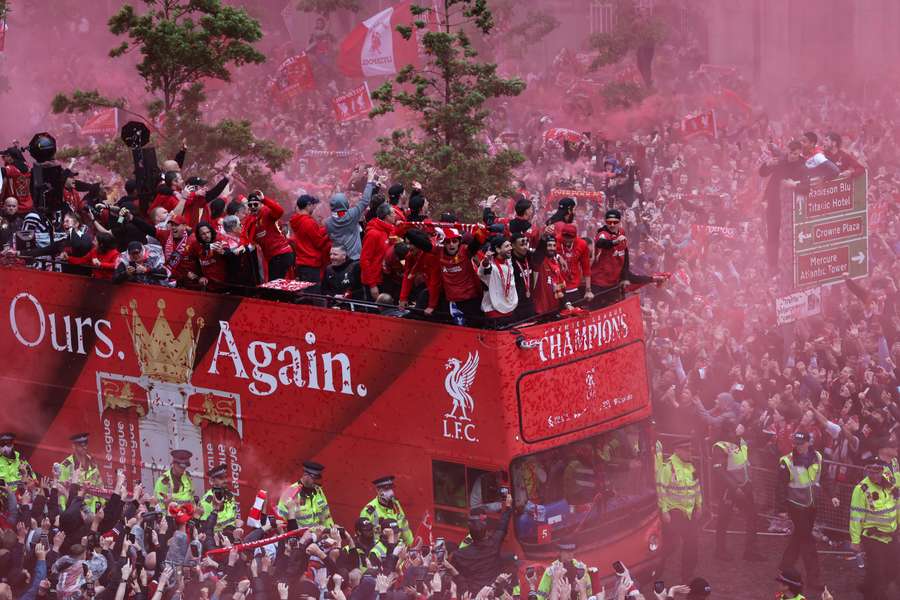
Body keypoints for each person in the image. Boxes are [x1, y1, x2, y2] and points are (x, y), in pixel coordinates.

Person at [778, 431, 837, 592]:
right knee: (808, 541)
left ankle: (785, 564)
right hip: (795, 506)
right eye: (796, 444)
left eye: (801, 443)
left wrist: (832, 496)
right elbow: (781, 486)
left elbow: (824, 477)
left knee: (799, 536)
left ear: (808, 443)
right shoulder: (786, 461)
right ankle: (814, 578)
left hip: (811, 505)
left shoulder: (817, 456)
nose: (799, 447)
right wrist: (782, 509)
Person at [711, 422, 763, 561]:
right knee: (724, 519)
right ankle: (720, 550)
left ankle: (750, 551)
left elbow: (756, 442)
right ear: (730, 431)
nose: (741, 428)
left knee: (752, 516)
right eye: (737, 428)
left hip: (744, 486)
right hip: (729, 489)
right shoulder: (720, 446)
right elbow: (719, 470)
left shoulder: (741, 442)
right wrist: (734, 487)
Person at [848, 459, 898, 600]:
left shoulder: (890, 484)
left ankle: (867, 587)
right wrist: (855, 541)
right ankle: (875, 595)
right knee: (879, 572)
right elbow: (856, 516)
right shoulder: (861, 489)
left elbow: (897, 504)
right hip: (872, 537)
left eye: (876, 472)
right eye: (870, 472)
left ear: (882, 471)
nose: (873, 475)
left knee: (894, 568)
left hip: (891, 534)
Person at [657, 437, 701, 582]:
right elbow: (661, 490)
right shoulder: (668, 468)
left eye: (690, 449)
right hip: (674, 512)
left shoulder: (691, 466)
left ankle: (687, 574)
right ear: (677, 451)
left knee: (692, 544)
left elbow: (696, 488)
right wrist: (664, 511)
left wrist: (699, 505)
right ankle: (657, 569)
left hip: (689, 513)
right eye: (686, 450)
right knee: (669, 546)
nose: (690, 452)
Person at [591, 209, 662, 298]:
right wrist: (614, 242)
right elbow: (600, 242)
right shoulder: (603, 234)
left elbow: (626, 265)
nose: (612, 225)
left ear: (619, 222)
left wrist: (652, 279)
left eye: (615, 222)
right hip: (598, 283)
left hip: (613, 284)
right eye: (609, 222)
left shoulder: (622, 237)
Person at [450, 493, 513, 594]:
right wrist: (508, 507)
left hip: (474, 594)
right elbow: (502, 526)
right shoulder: (494, 544)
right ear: (485, 532)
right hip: (493, 594)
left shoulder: (460, 555)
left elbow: (455, 574)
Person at [242, 190, 294, 281]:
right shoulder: (250, 219)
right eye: (250, 205)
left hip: (281, 254)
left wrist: (264, 199)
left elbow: (280, 211)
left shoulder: (266, 212)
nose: (253, 207)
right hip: (271, 257)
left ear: (261, 204)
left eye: (255, 204)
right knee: (275, 285)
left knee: (276, 286)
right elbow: (245, 235)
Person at [436, 227, 484, 324]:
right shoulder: (439, 253)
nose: (451, 244)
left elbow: (476, 243)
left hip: (471, 300)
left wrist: (480, 232)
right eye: (448, 242)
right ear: (443, 244)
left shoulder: (467, 252)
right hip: (452, 301)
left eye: (454, 241)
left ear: (459, 242)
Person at [325, 169, 376, 261]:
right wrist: (369, 181)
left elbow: (338, 214)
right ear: (345, 203)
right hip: (354, 257)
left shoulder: (328, 222)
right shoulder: (352, 215)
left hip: (338, 257)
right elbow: (365, 201)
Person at [276, 460, 333, 527]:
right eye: (314, 479)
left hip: (317, 535)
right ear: (306, 476)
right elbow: (281, 522)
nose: (316, 483)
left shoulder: (318, 491)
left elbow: (326, 516)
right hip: (299, 536)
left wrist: (331, 530)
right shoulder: (290, 493)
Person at [360, 475, 413, 546]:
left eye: (391, 488)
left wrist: (412, 546)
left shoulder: (396, 505)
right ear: (379, 491)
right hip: (379, 551)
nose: (391, 491)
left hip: (398, 549)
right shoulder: (368, 510)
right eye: (387, 489)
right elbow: (363, 537)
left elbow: (404, 527)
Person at [478, 236, 518, 327]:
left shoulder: (508, 263)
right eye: (507, 246)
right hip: (494, 313)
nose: (511, 248)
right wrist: (486, 261)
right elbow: (484, 270)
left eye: (510, 245)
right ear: (498, 249)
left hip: (510, 310)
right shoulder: (492, 267)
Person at [57, 433, 103, 512]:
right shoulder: (66, 465)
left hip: (92, 506)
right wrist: (64, 510)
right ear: (74, 447)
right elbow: (60, 488)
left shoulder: (92, 462)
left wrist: (100, 508)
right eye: (81, 445)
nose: (84, 447)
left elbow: (99, 487)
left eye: (86, 444)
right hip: (76, 506)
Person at [290, 194, 330, 285]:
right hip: (311, 264)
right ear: (308, 205)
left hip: (301, 262)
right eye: (313, 205)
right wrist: (329, 234)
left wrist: (325, 229)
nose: (314, 208)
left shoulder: (296, 221)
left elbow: (310, 235)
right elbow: (319, 243)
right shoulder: (309, 222)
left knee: (305, 293)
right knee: (313, 294)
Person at [360, 203, 396, 300]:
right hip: (375, 282)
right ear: (387, 216)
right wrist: (372, 285)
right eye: (393, 213)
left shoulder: (391, 231)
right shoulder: (373, 234)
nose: (395, 215)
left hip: (387, 278)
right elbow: (364, 260)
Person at [557, 223, 593, 304]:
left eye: (570, 238)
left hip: (573, 284)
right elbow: (547, 254)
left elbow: (586, 268)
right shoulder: (556, 241)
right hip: (557, 285)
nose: (567, 240)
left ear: (575, 236)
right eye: (565, 237)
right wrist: (558, 256)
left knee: (575, 310)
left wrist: (588, 290)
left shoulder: (582, 244)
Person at [199, 464, 237, 532]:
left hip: (232, 535)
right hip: (217, 539)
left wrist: (236, 522)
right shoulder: (207, 502)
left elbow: (232, 517)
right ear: (212, 481)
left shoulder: (230, 495)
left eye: (225, 477)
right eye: (221, 478)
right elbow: (204, 528)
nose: (225, 481)